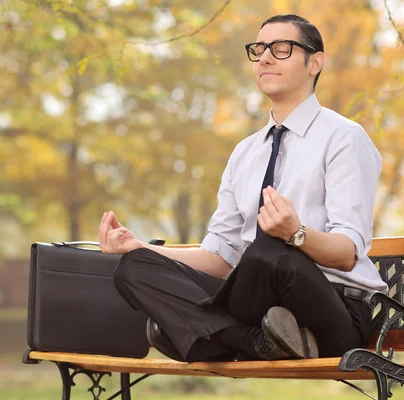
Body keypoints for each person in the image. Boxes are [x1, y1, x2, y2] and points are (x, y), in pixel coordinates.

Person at [98, 14, 387, 362]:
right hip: (257, 306)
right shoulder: (244, 153)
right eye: (259, 49)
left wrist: (296, 233)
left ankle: (209, 337)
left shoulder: (344, 138)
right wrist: (139, 246)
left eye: (281, 49)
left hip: (333, 311)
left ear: (315, 62)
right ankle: (256, 341)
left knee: (269, 252)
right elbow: (220, 258)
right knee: (134, 268)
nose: (264, 58)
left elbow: (347, 251)